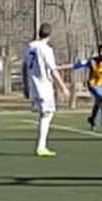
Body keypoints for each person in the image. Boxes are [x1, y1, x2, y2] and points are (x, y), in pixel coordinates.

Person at [23, 23, 69, 157]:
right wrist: (63, 87)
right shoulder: (46, 49)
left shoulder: (30, 47)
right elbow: (53, 71)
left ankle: (41, 145)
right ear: (50, 35)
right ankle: (41, 146)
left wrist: (26, 85)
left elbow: (24, 66)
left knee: (45, 114)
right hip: (44, 86)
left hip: (33, 85)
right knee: (47, 114)